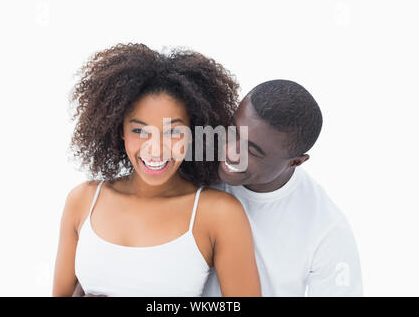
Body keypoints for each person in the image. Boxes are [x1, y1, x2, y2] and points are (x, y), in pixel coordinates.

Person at [52, 43, 261, 296]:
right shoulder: (83, 200)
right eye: (139, 130)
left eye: (173, 131)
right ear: (119, 130)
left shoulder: (218, 213)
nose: (155, 150)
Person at [201, 79, 363, 296]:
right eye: (233, 130)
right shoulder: (194, 167)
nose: (231, 152)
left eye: (253, 151)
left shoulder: (327, 230)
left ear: (296, 162)